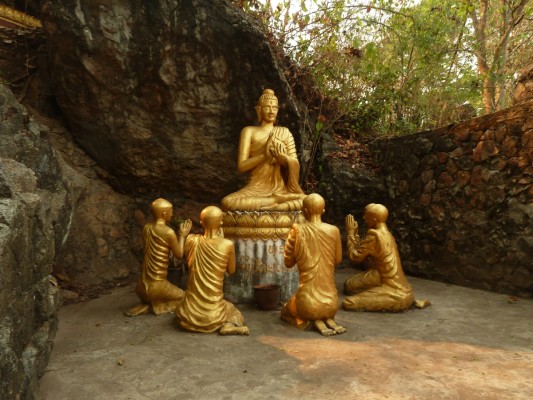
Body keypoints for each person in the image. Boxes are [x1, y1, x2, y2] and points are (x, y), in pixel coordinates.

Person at [220, 88, 305, 212]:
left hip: (280, 189)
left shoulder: (285, 133)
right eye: (267, 108)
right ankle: (275, 201)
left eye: (274, 108)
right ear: (259, 110)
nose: (271, 111)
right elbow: (241, 166)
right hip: (254, 189)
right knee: (227, 202)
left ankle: (277, 201)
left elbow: (295, 163)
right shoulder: (249, 131)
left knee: (309, 201)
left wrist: (283, 159)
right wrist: (264, 156)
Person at [175, 206, 249, 335]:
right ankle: (229, 325)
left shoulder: (191, 240)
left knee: (182, 305)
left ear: (202, 222)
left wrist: (182, 236)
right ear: (221, 223)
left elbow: (181, 255)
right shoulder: (227, 244)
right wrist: (222, 241)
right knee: (232, 310)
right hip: (213, 316)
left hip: (187, 315)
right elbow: (231, 270)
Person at [281, 194, 346, 336]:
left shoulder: (297, 231)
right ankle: (326, 319)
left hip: (307, 304)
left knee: (286, 310)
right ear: (323, 210)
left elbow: (288, 262)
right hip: (332, 303)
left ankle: (312, 320)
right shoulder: (334, 230)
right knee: (321, 304)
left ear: (304, 210)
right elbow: (338, 259)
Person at [343, 203, 427, 312]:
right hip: (379, 273)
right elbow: (365, 252)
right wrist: (356, 236)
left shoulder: (374, 236)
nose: (364, 218)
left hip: (393, 287)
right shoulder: (386, 233)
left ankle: (389, 296)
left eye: (366, 216)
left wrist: (350, 234)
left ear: (374, 219)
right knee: (349, 286)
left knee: (349, 303)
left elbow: (354, 257)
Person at [125, 198, 188, 317]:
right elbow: (179, 255)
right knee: (186, 298)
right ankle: (157, 305)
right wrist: (182, 236)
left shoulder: (146, 228)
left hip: (141, 287)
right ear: (164, 214)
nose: (172, 214)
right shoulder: (168, 232)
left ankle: (148, 304)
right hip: (157, 287)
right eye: (171, 211)